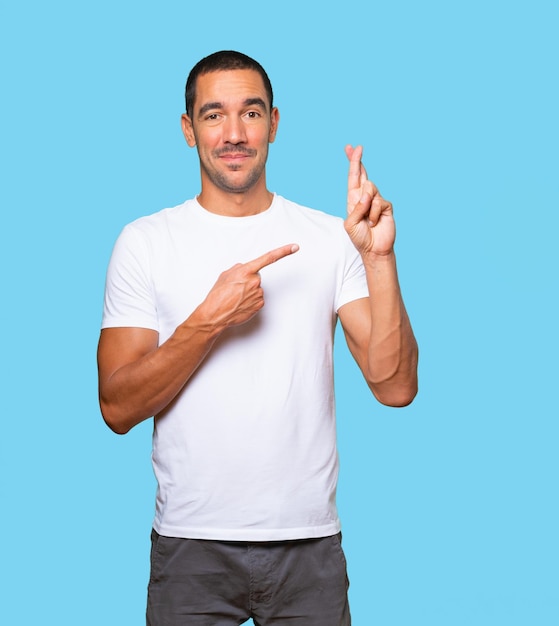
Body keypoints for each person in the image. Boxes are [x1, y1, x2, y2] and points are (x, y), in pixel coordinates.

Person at [98, 50, 418, 625]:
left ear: (274, 123)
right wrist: (209, 320)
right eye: (214, 115)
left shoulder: (330, 237)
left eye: (251, 112)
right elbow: (117, 408)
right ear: (188, 130)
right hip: (190, 547)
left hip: (310, 548)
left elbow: (394, 387)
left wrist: (379, 260)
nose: (235, 133)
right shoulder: (144, 241)